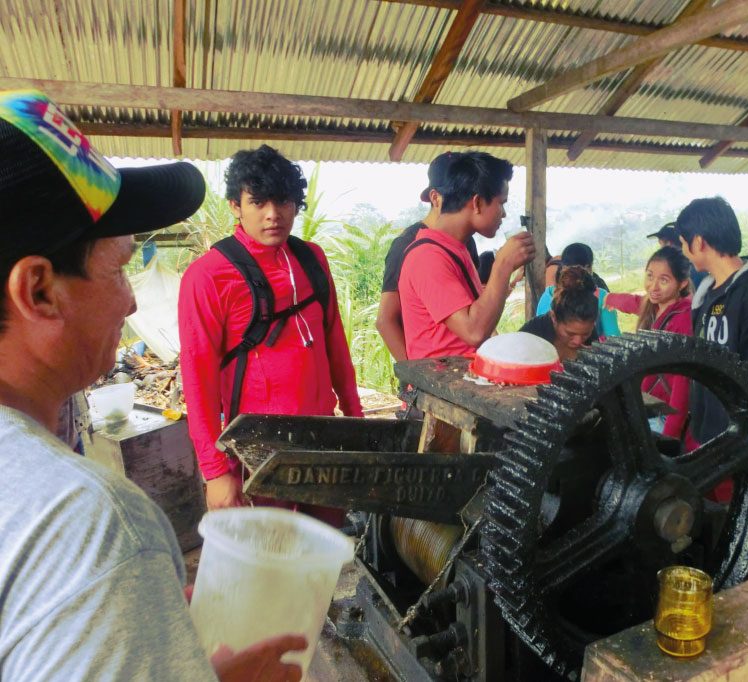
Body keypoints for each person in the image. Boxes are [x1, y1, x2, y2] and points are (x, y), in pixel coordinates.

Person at [0, 89, 303, 680]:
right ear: (38, 290)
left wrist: (144, 631)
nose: (133, 297)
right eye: (118, 268)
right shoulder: (88, 523)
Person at [178, 145, 363, 514]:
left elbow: (334, 343)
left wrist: (356, 421)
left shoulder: (312, 259)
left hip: (323, 444)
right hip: (255, 452)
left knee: (320, 556)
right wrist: (214, 472)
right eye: (258, 202)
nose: (273, 215)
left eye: (283, 201)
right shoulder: (208, 276)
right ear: (235, 206)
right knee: (267, 560)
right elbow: (197, 378)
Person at [398, 151, 534, 359]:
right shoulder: (427, 257)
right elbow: (474, 331)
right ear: (477, 203)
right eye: (501, 203)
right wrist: (503, 264)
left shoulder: (456, 248)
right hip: (440, 385)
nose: (504, 214)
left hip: (461, 378)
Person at [679, 197, 748, 444]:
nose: (684, 252)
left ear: (698, 242)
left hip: (740, 444)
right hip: (709, 436)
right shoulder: (706, 295)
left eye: (683, 244)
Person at [376, 152, 480, 361]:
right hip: (431, 372)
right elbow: (385, 320)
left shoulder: (466, 242)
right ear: (436, 198)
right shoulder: (409, 244)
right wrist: (413, 377)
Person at [605, 247, 694, 442]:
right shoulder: (654, 307)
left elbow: (683, 380)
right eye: (650, 276)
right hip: (650, 406)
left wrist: (671, 434)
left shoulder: (683, 318)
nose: (653, 286)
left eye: (664, 280)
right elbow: (635, 302)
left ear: (682, 284)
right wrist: (607, 297)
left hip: (666, 415)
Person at [537, 242, 620, 338]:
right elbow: (613, 336)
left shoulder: (547, 295)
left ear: (563, 268)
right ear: (589, 267)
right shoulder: (602, 297)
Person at [520, 266, 599, 361]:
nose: (578, 341)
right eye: (570, 334)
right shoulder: (531, 335)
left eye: (585, 334)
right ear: (553, 317)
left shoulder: (590, 335)